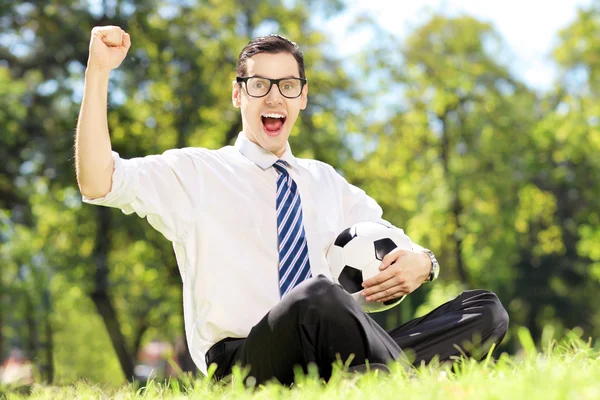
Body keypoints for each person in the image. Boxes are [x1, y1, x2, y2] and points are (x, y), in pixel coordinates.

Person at [75, 26, 509, 385]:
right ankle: (398, 382)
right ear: (238, 95)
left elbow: (394, 243)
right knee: (319, 295)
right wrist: (98, 72)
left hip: (334, 349)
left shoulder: (325, 180)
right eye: (259, 84)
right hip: (245, 364)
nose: (274, 97)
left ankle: (366, 380)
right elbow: (98, 181)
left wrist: (423, 262)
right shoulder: (195, 172)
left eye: (288, 85)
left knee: (483, 309)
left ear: (302, 97)